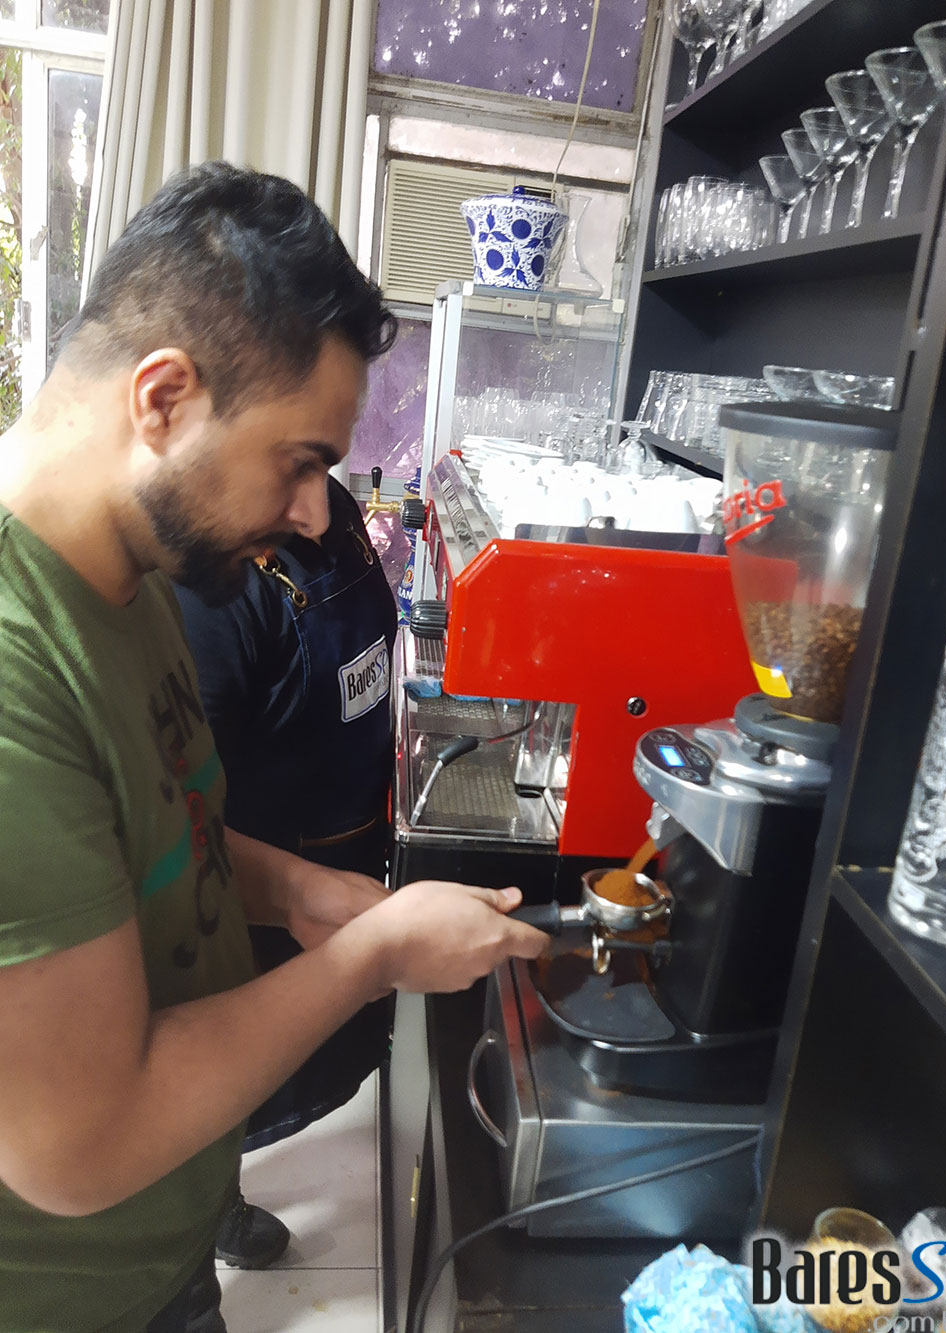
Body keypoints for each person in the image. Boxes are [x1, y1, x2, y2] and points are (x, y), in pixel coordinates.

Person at [0, 160, 547, 1333]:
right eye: (298, 461)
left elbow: (144, 820)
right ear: (163, 397)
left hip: (164, 1244)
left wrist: (295, 888)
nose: (311, 512)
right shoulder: (14, 665)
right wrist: (372, 957)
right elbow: (76, 1148)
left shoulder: (129, 570)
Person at [173, 469, 398, 1270]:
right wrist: (293, 891)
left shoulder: (333, 511)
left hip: (347, 843)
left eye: (319, 467)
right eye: (286, 472)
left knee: (327, 1051)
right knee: (221, 1087)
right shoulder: (205, 593)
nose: (312, 509)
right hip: (255, 880)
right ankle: (205, 1208)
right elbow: (185, 816)